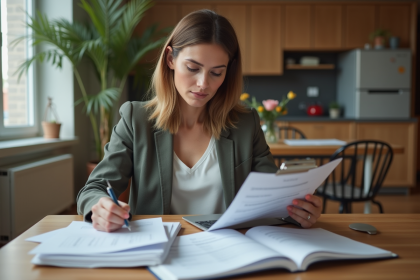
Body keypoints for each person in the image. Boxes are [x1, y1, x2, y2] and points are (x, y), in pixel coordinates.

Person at [77, 9, 322, 232]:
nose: (204, 83)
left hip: (228, 247)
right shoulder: (136, 119)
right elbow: (94, 188)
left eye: (217, 72)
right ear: (171, 59)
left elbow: (273, 197)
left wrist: (298, 210)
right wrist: (99, 207)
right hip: (158, 248)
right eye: (193, 68)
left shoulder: (245, 123)